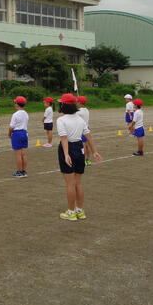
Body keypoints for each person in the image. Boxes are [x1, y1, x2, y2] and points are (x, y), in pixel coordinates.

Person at [56, 93, 101, 221]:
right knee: (78, 183)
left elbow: (64, 138)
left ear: (64, 105)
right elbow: (88, 136)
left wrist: (66, 154)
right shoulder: (80, 119)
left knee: (70, 184)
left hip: (68, 148)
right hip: (79, 148)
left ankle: (71, 212)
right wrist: (94, 151)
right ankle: (80, 211)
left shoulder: (61, 120)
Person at [8, 96, 30, 178]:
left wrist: (9, 134)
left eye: (15, 103)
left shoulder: (15, 114)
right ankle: (24, 171)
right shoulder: (26, 113)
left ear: (17, 104)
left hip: (17, 134)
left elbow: (11, 127)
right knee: (24, 154)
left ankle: (19, 172)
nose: (14, 104)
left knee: (18, 155)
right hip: (24, 133)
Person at [77, 96, 92, 165]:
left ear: (80, 103)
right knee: (87, 146)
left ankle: (84, 160)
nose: (76, 103)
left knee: (83, 146)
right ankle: (88, 159)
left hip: (82, 131)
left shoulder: (79, 112)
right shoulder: (86, 110)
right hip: (87, 130)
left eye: (77, 102)